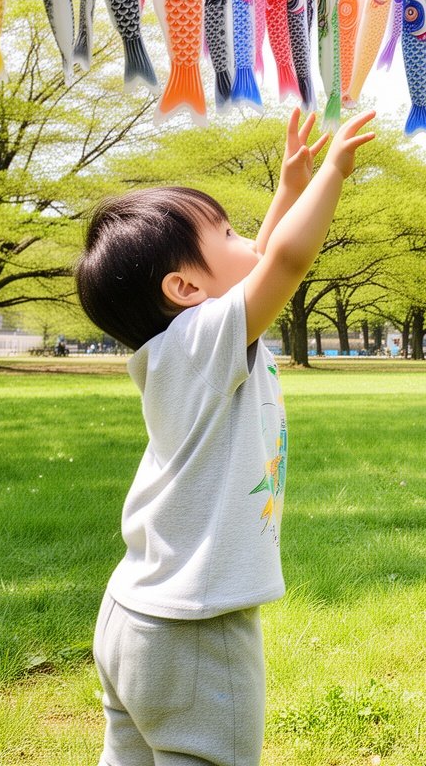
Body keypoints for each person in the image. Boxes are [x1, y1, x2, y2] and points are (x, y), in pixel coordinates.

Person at [73, 110, 376, 766]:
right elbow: (285, 261)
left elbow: (258, 263)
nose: (251, 243)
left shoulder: (182, 346)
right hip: (196, 631)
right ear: (184, 289)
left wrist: (288, 190)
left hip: (133, 613)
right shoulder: (204, 338)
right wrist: (331, 173)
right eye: (229, 232)